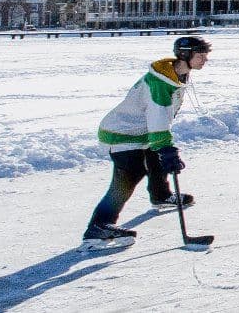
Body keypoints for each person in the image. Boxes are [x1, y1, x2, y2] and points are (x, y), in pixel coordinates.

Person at [81, 36, 211, 251]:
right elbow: (158, 118)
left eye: (205, 55)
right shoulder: (161, 82)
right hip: (122, 133)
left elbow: (159, 120)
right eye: (200, 55)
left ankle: (160, 194)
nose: (204, 60)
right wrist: (167, 149)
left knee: (156, 157)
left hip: (141, 132)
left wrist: (162, 148)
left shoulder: (176, 75)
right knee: (130, 174)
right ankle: (98, 227)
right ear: (185, 55)